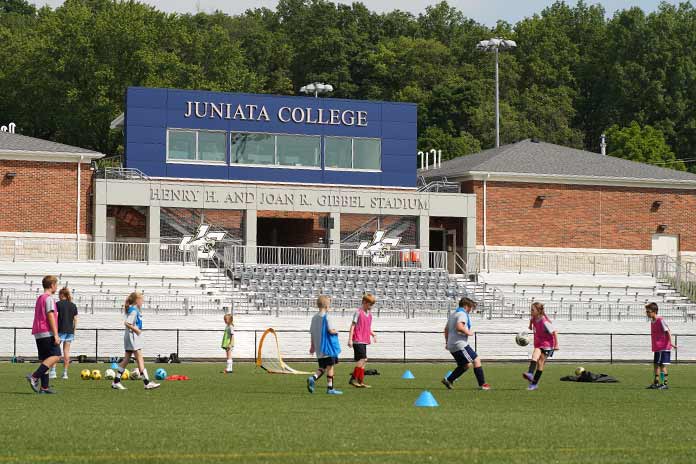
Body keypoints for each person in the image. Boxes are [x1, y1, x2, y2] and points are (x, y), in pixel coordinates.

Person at [111, 292, 160, 390]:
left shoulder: (134, 309)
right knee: (139, 359)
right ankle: (146, 383)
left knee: (126, 360)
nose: (142, 302)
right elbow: (127, 323)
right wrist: (136, 330)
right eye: (141, 300)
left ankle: (116, 381)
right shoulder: (134, 310)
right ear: (136, 300)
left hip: (132, 337)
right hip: (132, 337)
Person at [441, 297, 491, 390]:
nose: (470, 310)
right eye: (470, 307)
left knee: (465, 365)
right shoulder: (462, 314)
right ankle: (483, 384)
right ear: (466, 306)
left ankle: (449, 380)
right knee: (476, 360)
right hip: (459, 344)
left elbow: (446, 330)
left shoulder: (453, 314)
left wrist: (447, 342)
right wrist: (469, 333)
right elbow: (459, 327)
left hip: (452, 345)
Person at [26, 275, 61, 394]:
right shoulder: (49, 298)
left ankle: (44, 387)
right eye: (56, 284)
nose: (56, 287)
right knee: (56, 356)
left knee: (45, 360)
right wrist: (56, 334)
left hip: (38, 332)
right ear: (52, 285)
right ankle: (34, 377)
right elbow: (50, 315)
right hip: (47, 332)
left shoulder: (40, 298)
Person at [307, 295, 343, 395]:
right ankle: (330, 388)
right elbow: (330, 331)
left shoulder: (314, 318)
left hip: (319, 347)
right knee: (330, 367)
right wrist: (337, 331)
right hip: (328, 346)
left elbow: (312, 332)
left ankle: (313, 378)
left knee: (322, 367)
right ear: (327, 306)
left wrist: (312, 346)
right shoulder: (327, 317)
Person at [523, 302, 559, 391]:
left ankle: (534, 384)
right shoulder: (534, 318)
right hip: (538, 343)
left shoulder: (544, 321)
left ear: (538, 311)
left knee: (540, 363)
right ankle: (530, 374)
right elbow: (531, 320)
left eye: (532, 310)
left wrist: (556, 345)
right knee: (535, 355)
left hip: (547, 345)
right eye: (530, 309)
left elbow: (554, 332)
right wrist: (530, 326)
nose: (530, 311)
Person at [348, 293, 377, 388]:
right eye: (370, 304)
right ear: (364, 302)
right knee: (363, 359)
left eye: (372, 304)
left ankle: (360, 382)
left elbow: (367, 327)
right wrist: (350, 339)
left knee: (364, 360)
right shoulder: (358, 312)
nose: (371, 306)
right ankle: (353, 379)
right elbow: (352, 326)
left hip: (364, 340)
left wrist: (372, 333)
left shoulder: (370, 315)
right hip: (357, 340)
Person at [49, 287, 78, 380]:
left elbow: (54, 316)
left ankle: (53, 372)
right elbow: (75, 320)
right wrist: (74, 330)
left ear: (62, 295)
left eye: (59, 295)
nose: (58, 296)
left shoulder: (57, 304)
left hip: (60, 330)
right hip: (70, 331)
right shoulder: (73, 305)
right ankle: (65, 373)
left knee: (54, 351)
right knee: (66, 352)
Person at [646, 302, 676, 390]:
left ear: (654, 311)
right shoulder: (652, 321)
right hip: (657, 347)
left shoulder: (661, 320)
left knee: (662, 365)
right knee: (656, 365)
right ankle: (656, 383)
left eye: (648, 311)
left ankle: (664, 384)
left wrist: (671, 343)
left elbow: (668, 331)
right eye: (646, 311)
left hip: (663, 347)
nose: (647, 313)